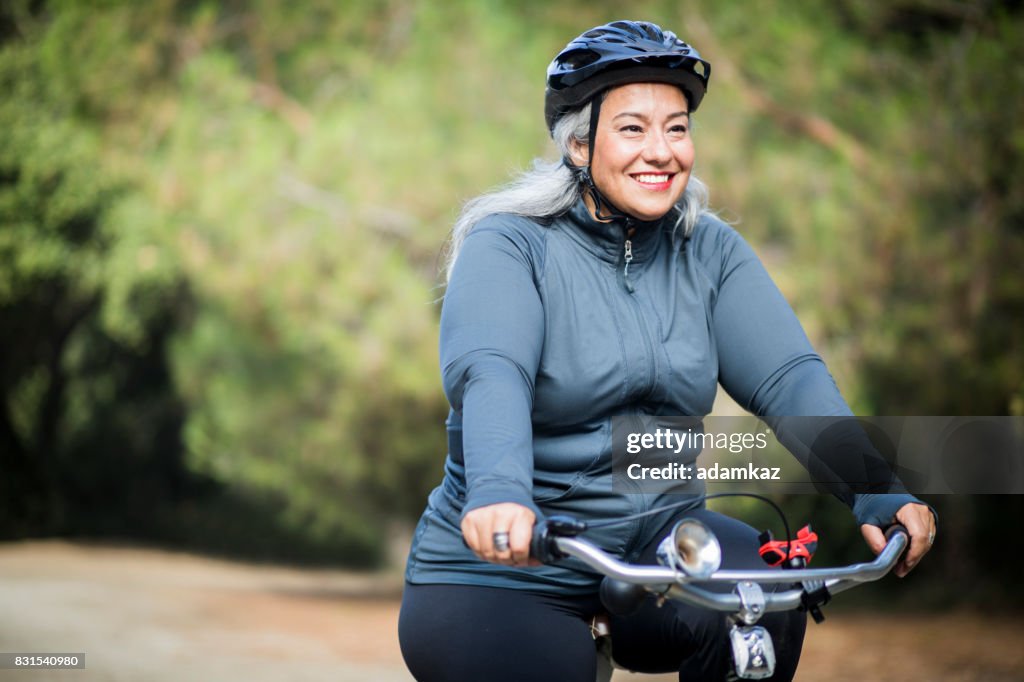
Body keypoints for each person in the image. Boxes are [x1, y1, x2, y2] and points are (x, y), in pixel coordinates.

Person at [398, 20, 936, 682]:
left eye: (677, 128)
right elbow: (493, 376)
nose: (661, 151)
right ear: (577, 145)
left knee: (764, 596)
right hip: (509, 565)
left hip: (664, 548)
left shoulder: (708, 250)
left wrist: (875, 489)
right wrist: (501, 494)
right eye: (633, 128)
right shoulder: (511, 247)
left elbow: (791, 382)